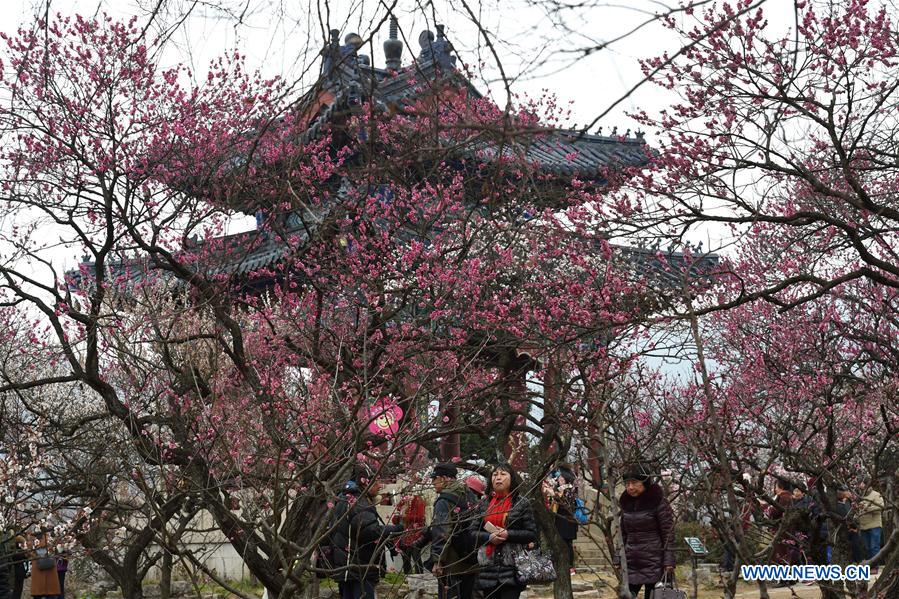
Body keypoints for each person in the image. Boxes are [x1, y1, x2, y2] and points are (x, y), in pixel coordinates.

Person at [327, 468, 403, 599]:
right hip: (359, 568)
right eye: (376, 482)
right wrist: (396, 529)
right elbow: (369, 531)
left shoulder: (343, 498)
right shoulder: (358, 502)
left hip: (346, 567)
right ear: (365, 483)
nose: (379, 486)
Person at [468, 464, 538, 599]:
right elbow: (471, 532)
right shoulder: (484, 504)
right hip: (488, 567)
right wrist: (489, 537)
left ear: (512, 479)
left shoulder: (521, 503)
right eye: (495, 475)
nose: (498, 478)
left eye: (503, 474)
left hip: (512, 567)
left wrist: (508, 534)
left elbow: (531, 533)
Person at [614, 466, 675, 599]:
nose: (630, 487)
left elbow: (668, 533)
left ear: (645, 482)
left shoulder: (658, 501)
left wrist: (668, 560)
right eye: (627, 484)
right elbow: (623, 534)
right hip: (631, 562)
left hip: (654, 562)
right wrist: (618, 556)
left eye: (635, 483)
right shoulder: (625, 503)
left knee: (654, 596)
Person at [422, 463, 480, 599]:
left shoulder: (444, 500)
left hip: (451, 563)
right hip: (470, 558)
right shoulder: (470, 495)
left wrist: (438, 560)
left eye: (434, 479)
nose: (432, 483)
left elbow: (442, 532)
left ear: (443, 478)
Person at [543, 463, 579, 574]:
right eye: (559, 478)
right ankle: (561, 565)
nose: (559, 479)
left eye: (561, 478)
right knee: (561, 543)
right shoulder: (560, 490)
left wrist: (553, 494)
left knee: (567, 543)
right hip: (560, 521)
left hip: (567, 521)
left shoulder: (569, 490)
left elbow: (565, 503)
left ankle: (570, 566)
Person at [393, 484, 426, 575]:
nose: (408, 496)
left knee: (415, 554)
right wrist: (399, 515)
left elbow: (420, 517)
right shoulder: (402, 503)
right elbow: (395, 520)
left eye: (410, 494)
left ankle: (420, 575)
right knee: (405, 555)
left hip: (415, 532)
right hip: (403, 533)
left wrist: (406, 516)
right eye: (406, 494)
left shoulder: (419, 501)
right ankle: (407, 576)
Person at [834, 485, 864, 563]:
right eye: (847, 491)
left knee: (856, 546)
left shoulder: (849, 502)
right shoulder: (836, 503)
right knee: (846, 547)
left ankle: (858, 562)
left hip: (853, 528)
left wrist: (855, 527)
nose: (849, 492)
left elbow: (853, 515)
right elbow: (842, 516)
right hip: (843, 529)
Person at [857, 480, 884, 567]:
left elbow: (881, 507)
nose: (859, 485)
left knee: (874, 547)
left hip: (874, 525)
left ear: (866, 484)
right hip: (863, 526)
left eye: (860, 483)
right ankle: (869, 566)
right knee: (867, 548)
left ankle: (875, 566)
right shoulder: (859, 496)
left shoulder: (876, 494)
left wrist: (866, 508)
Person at [28, 533, 60, 599]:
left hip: (39, 567)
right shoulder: (49, 540)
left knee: (38, 593)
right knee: (50, 593)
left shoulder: (32, 540)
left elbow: (29, 552)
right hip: (48, 567)